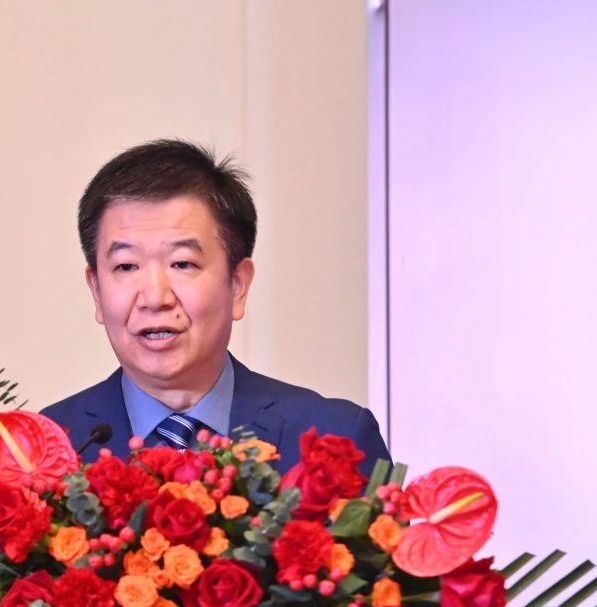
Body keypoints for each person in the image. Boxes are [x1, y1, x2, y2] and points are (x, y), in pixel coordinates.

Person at [40, 139, 389, 479]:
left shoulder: (337, 442)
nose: (155, 297)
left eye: (182, 263)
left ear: (238, 284)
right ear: (97, 291)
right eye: (127, 266)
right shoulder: (40, 456)